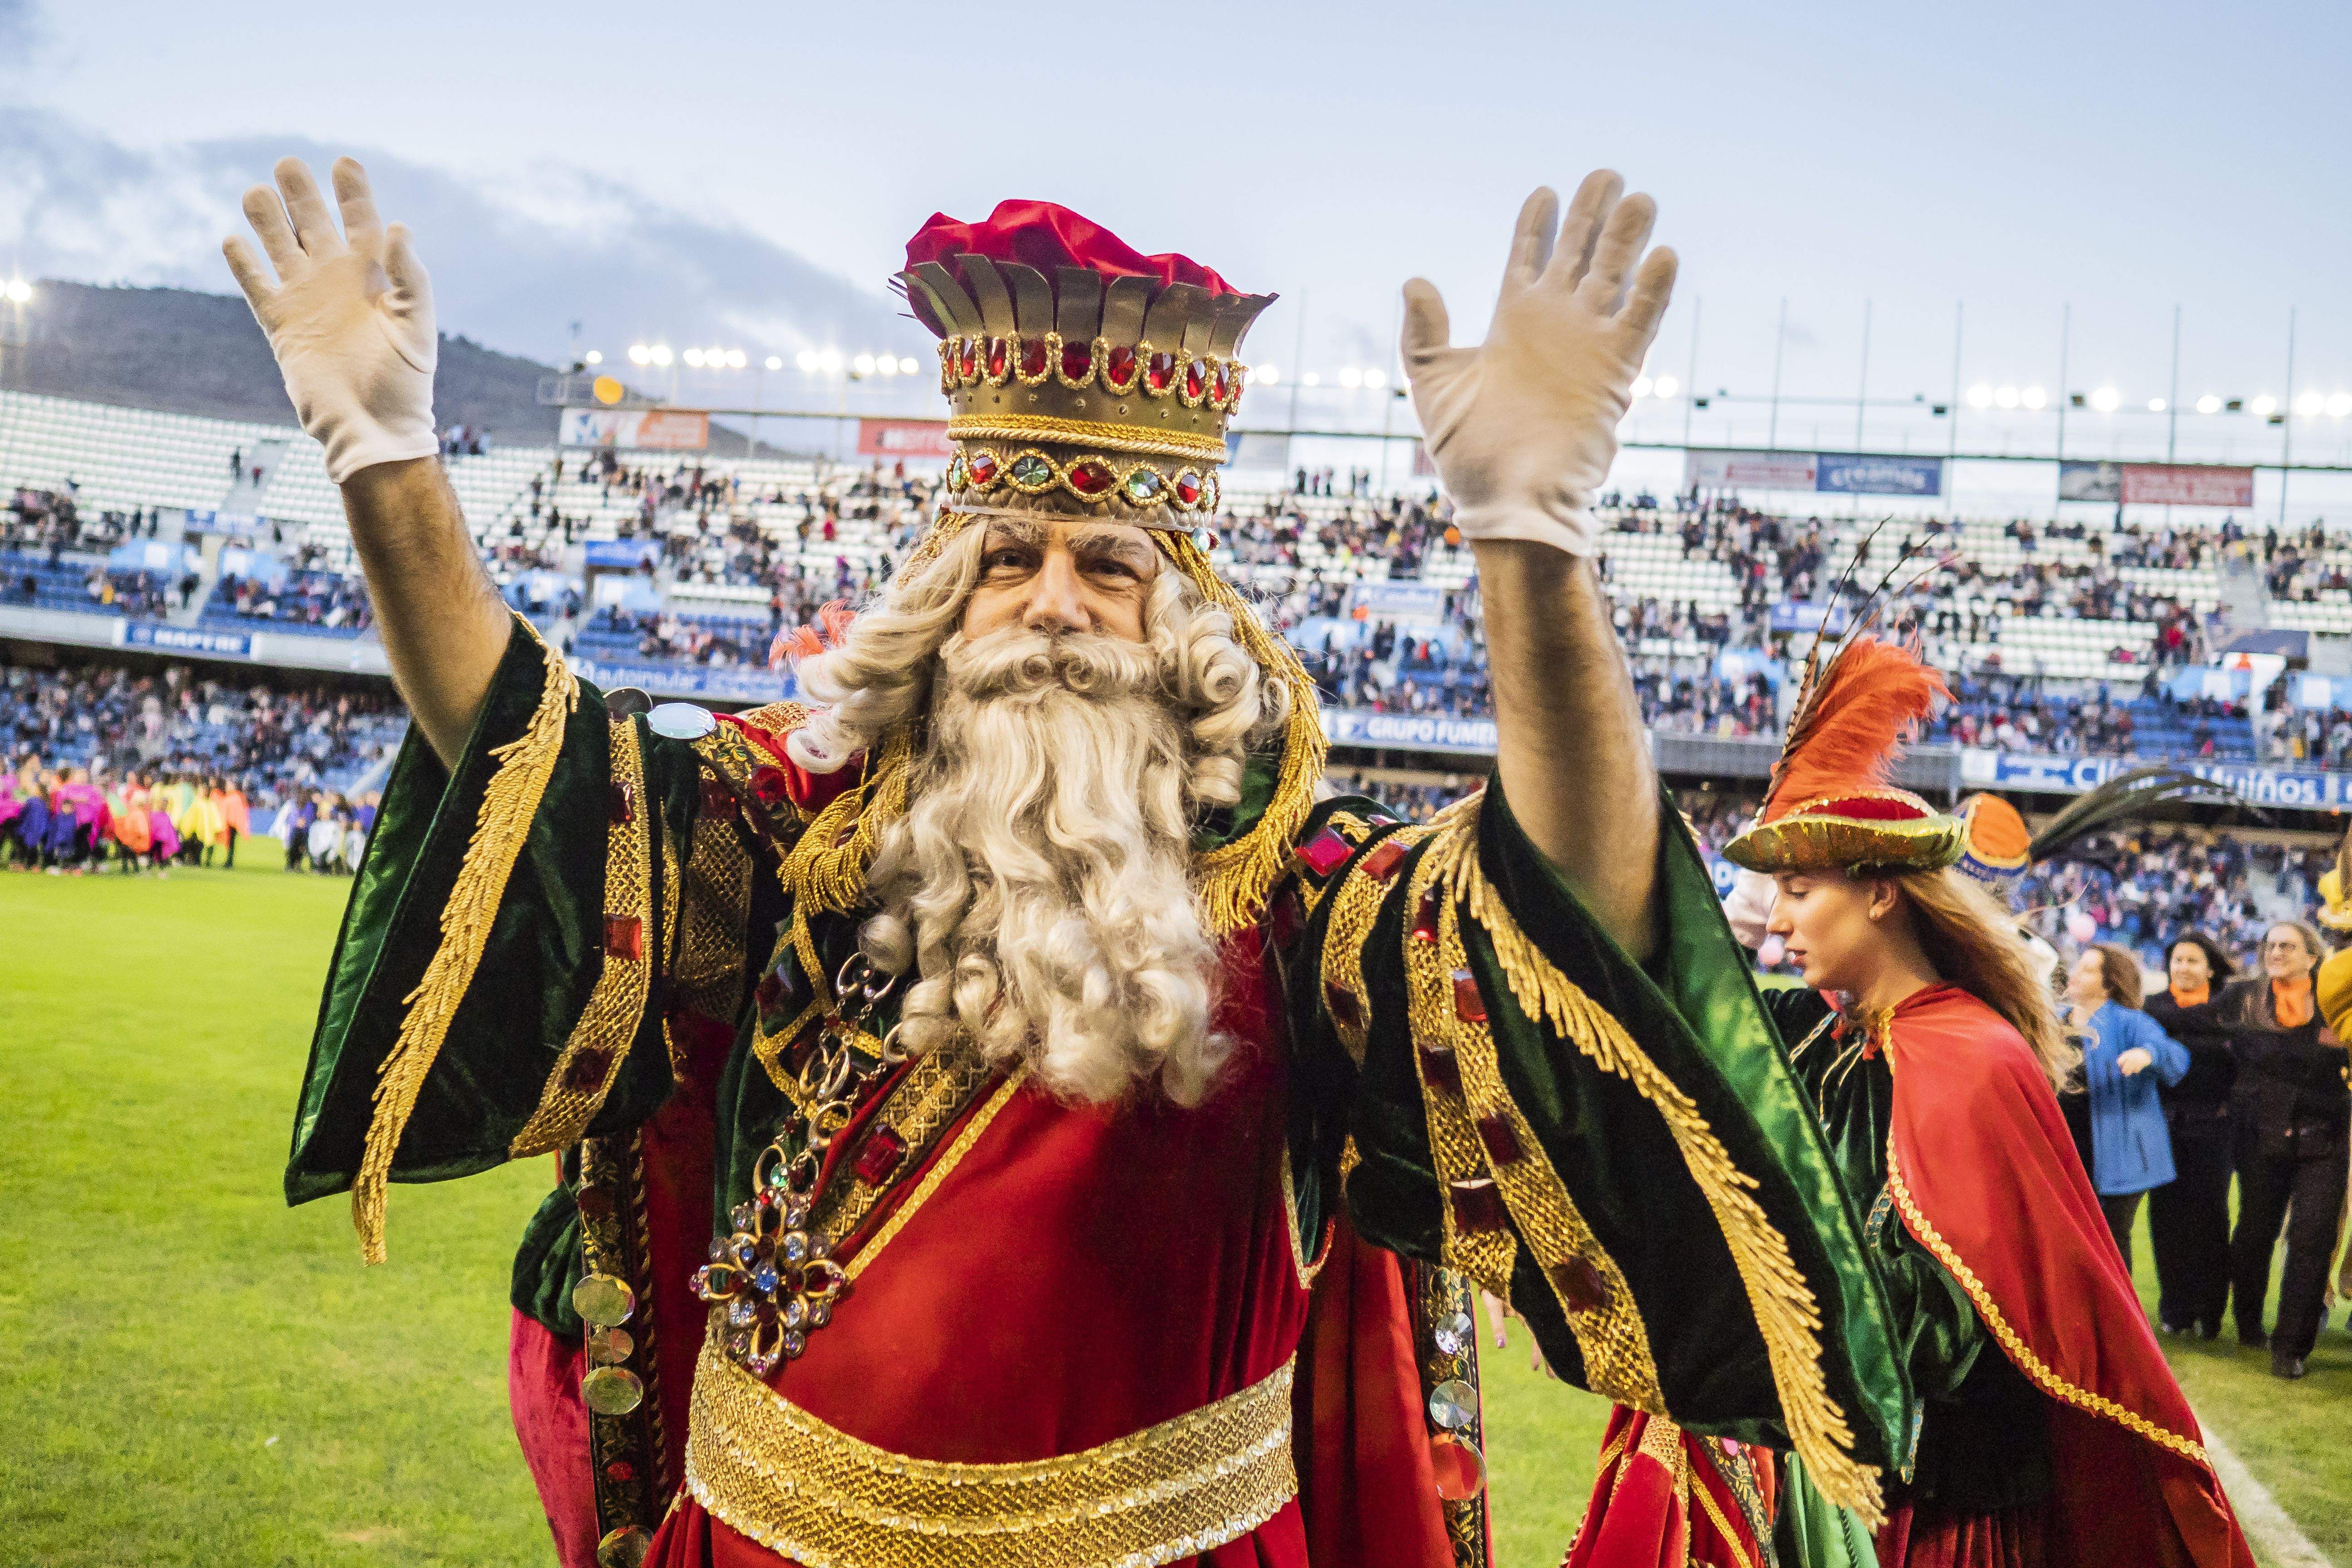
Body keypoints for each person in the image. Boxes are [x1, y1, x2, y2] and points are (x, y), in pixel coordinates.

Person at [230, 157, 1918, 1568]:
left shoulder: (1300, 889)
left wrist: (1530, 553)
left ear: (1183, 620)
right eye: (1009, 557)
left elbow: (1570, 922)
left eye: (1108, 566)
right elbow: (536, 773)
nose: (1049, 603)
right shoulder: (788, 823)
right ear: (942, 596)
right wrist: (385, 464)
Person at [1722, 634, 2249, 1567]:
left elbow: (1950, 1324)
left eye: (1801, 890)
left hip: (1956, 1504)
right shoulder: (1839, 1037)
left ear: (1880, 894)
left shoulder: (1966, 1056)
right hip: (1873, 1483)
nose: (1781, 917)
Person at [2222, 919, 2349, 1380]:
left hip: (2326, 1136)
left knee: (2313, 1239)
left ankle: (2291, 1347)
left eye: (2288, 945)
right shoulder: (2245, 997)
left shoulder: (2336, 999)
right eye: (2271, 945)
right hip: (2263, 1135)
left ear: (2312, 956)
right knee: (2255, 1232)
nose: (2277, 951)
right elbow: (2207, 1035)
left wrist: (2267, 1055)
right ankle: (2249, 1323)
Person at [2062, 943, 2189, 1271]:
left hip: (2118, 1155)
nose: (2075, 973)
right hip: (2064, 1151)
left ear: (2109, 984)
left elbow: (2175, 1056)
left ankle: (2119, 1321)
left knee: (2111, 1243)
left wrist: (2148, 1055)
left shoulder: (2129, 1022)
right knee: (2067, 1244)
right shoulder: (2056, 1023)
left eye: (2088, 969)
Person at [2142, 933, 2237, 1338]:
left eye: (2192, 961)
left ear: (2210, 969)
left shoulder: (2228, 1010)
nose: (2182, 967)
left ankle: (2210, 1310)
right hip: (2163, 1127)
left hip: (2214, 1129)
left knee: (2211, 1218)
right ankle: (2175, 1309)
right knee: (2166, 1218)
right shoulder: (2153, 1007)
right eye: (2177, 960)